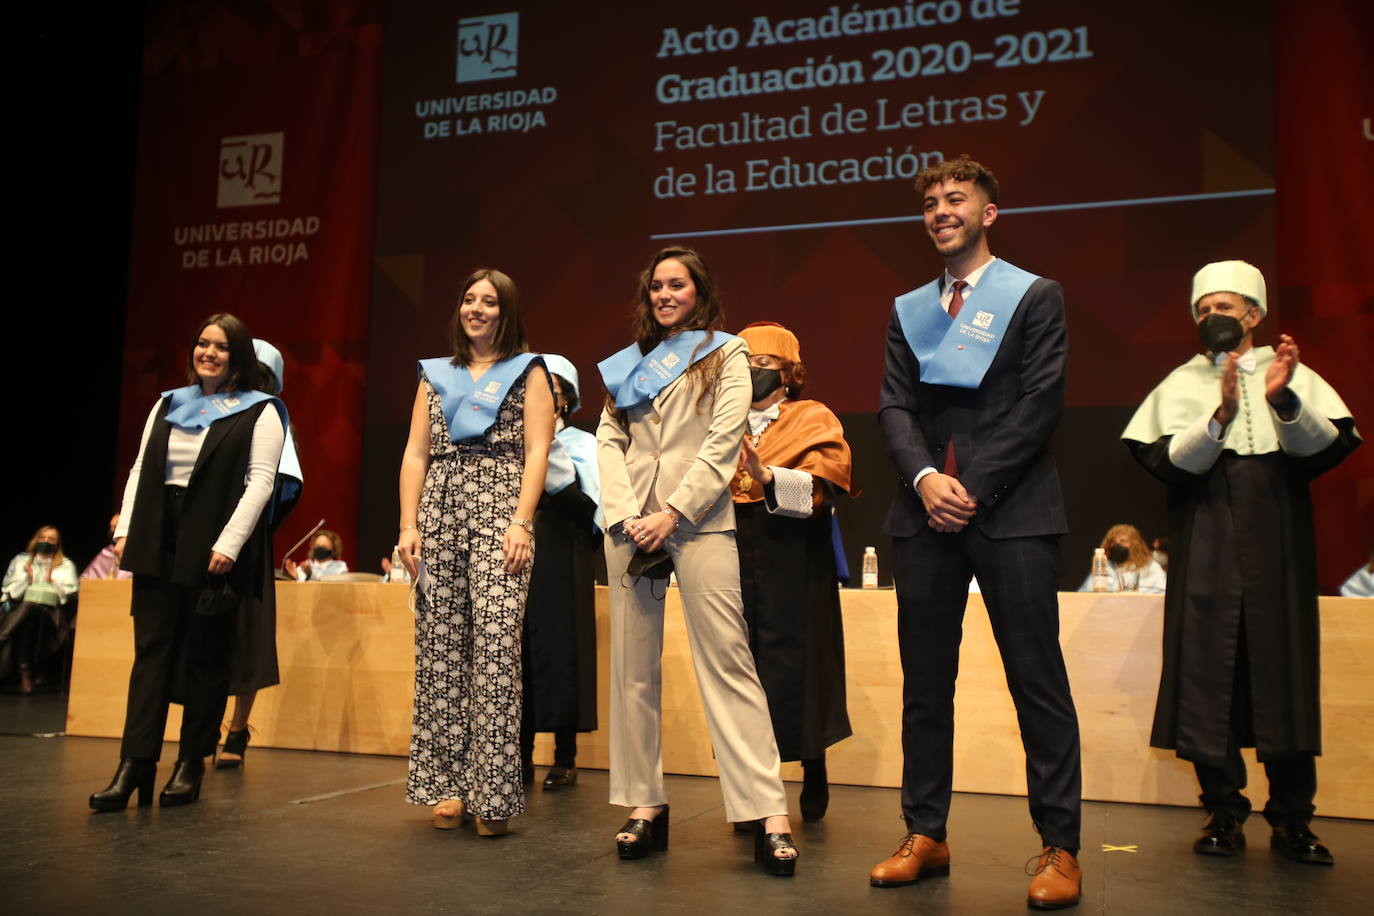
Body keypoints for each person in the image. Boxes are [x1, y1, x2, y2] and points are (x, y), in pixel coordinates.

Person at [872, 157, 1083, 909]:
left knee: (1038, 681)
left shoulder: (1035, 297)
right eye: (929, 202)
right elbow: (894, 408)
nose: (940, 211)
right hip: (924, 514)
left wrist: (973, 486)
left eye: (955, 199)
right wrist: (929, 481)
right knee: (927, 687)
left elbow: (1040, 402)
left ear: (989, 212)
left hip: (1014, 512)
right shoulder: (908, 310)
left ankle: (1060, 844)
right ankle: (925, 832)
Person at [1122, 259, 1361, 865]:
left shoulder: (1291, 377)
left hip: (1277, 535)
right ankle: (1223, 812)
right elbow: (1170, 464)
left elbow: (1325, 449)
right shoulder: (1181, 384)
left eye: (1223, 308)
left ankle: (1292, 820)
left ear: (1254, 315)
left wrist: (1280, 401)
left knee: (1283, 671)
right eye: (1202, 311)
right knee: (1207, 671)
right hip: (1205, 538)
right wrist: (1222, 413)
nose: (1211, 319)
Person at [597, 246, 798, 876]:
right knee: (633, 671)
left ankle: (768, 812)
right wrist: (627, 510)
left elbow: (722, 440)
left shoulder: (727, 352)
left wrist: (674, 511)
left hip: (698, 522)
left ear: (698, 291)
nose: (664, 294)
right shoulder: (631, 364)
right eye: (655, 285)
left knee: (728, 663)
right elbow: (609, 437)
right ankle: (643, 804)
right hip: (631, 525)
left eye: (676, 285)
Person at [90, 313, 286, 811]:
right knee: (151, 655)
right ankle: (134, 765)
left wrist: (229, 543)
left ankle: (190, 763)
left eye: (221, 347)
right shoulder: (168, 404)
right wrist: (126, 527)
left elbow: (261, 482)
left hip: (214, 540)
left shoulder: (259, 411)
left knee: (204, 658)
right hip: (160, 533)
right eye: (202, 344)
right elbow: (140, 468)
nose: (209, 353)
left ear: (237, 355)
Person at [396, 268, 554, 837]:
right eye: (469, 299)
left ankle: (493, 792)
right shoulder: (435, 375)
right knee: (441, 648)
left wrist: (522, 521)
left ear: (506, 313)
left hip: (499, 508)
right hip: (439, 508)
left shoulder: (528, 370)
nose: (477, 309)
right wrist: (408, 523)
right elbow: (415, 454)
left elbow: (538, 452)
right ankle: (451, 784)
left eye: (489, 302)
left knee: (493, 647)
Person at [730, 321, 856, 822]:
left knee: (797, 667)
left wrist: (766, 476)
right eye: (744, 364)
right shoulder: (724, 420)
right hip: (736, 555)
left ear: (788, 373)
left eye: (764, 365)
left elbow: (823, 493)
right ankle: (746, 790)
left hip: (793, 560)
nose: (753, 373)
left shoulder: (811, 417)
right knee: (739, 669)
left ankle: (813, 766)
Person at [216, 337, 305, 770]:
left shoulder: (272, 418)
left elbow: (285, 486)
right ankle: (203, 725)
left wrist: (257, 528)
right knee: (202, 638)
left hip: (249, 541)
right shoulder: (204, 410)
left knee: (246, 636)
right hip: (203, 536)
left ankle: (237, 728)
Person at [519, 354, 601, 790]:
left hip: (563, 557)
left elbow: (589, 509)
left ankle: (565, 757)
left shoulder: (582, 445)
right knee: (519, 655)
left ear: (565, 398)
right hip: (518, 557)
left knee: (563, 653)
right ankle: (520, 753)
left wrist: (548, 450)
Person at [1, 526, 79, 694]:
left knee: (32, 608)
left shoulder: (65, 565)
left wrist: (52, 581)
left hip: (52, 614)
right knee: (29, 614)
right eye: (42, 537)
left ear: (57, 544)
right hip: (22, 611)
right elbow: (11, 591)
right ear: (35, 540)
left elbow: (68, 596)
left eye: (51, 539)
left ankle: (3, 637)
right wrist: (27, 580)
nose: (45, 541)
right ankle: (25, 675)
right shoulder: (21, 561)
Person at [1076, 524, 1167, 594]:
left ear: (1134, 545)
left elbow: (1161, 594)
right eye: (1113, 542)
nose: (1117, 545)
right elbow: (1084, 594)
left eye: (1123, 541)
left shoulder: (1149, 567)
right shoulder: (1104, 568)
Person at [80, 515, 135, 581]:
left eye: (115, 527)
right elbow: (85, 578)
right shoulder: (106, 552)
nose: (112, 530)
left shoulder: (134, 552)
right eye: (111, 527)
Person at [284, 530, 349, 581]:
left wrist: (310, 575)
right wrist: (296, 577)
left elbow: (327, 584)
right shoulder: (306, 566)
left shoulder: (340, 567)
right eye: (317, 546)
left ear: (333, 549)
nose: (320, 549)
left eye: (324, 547)